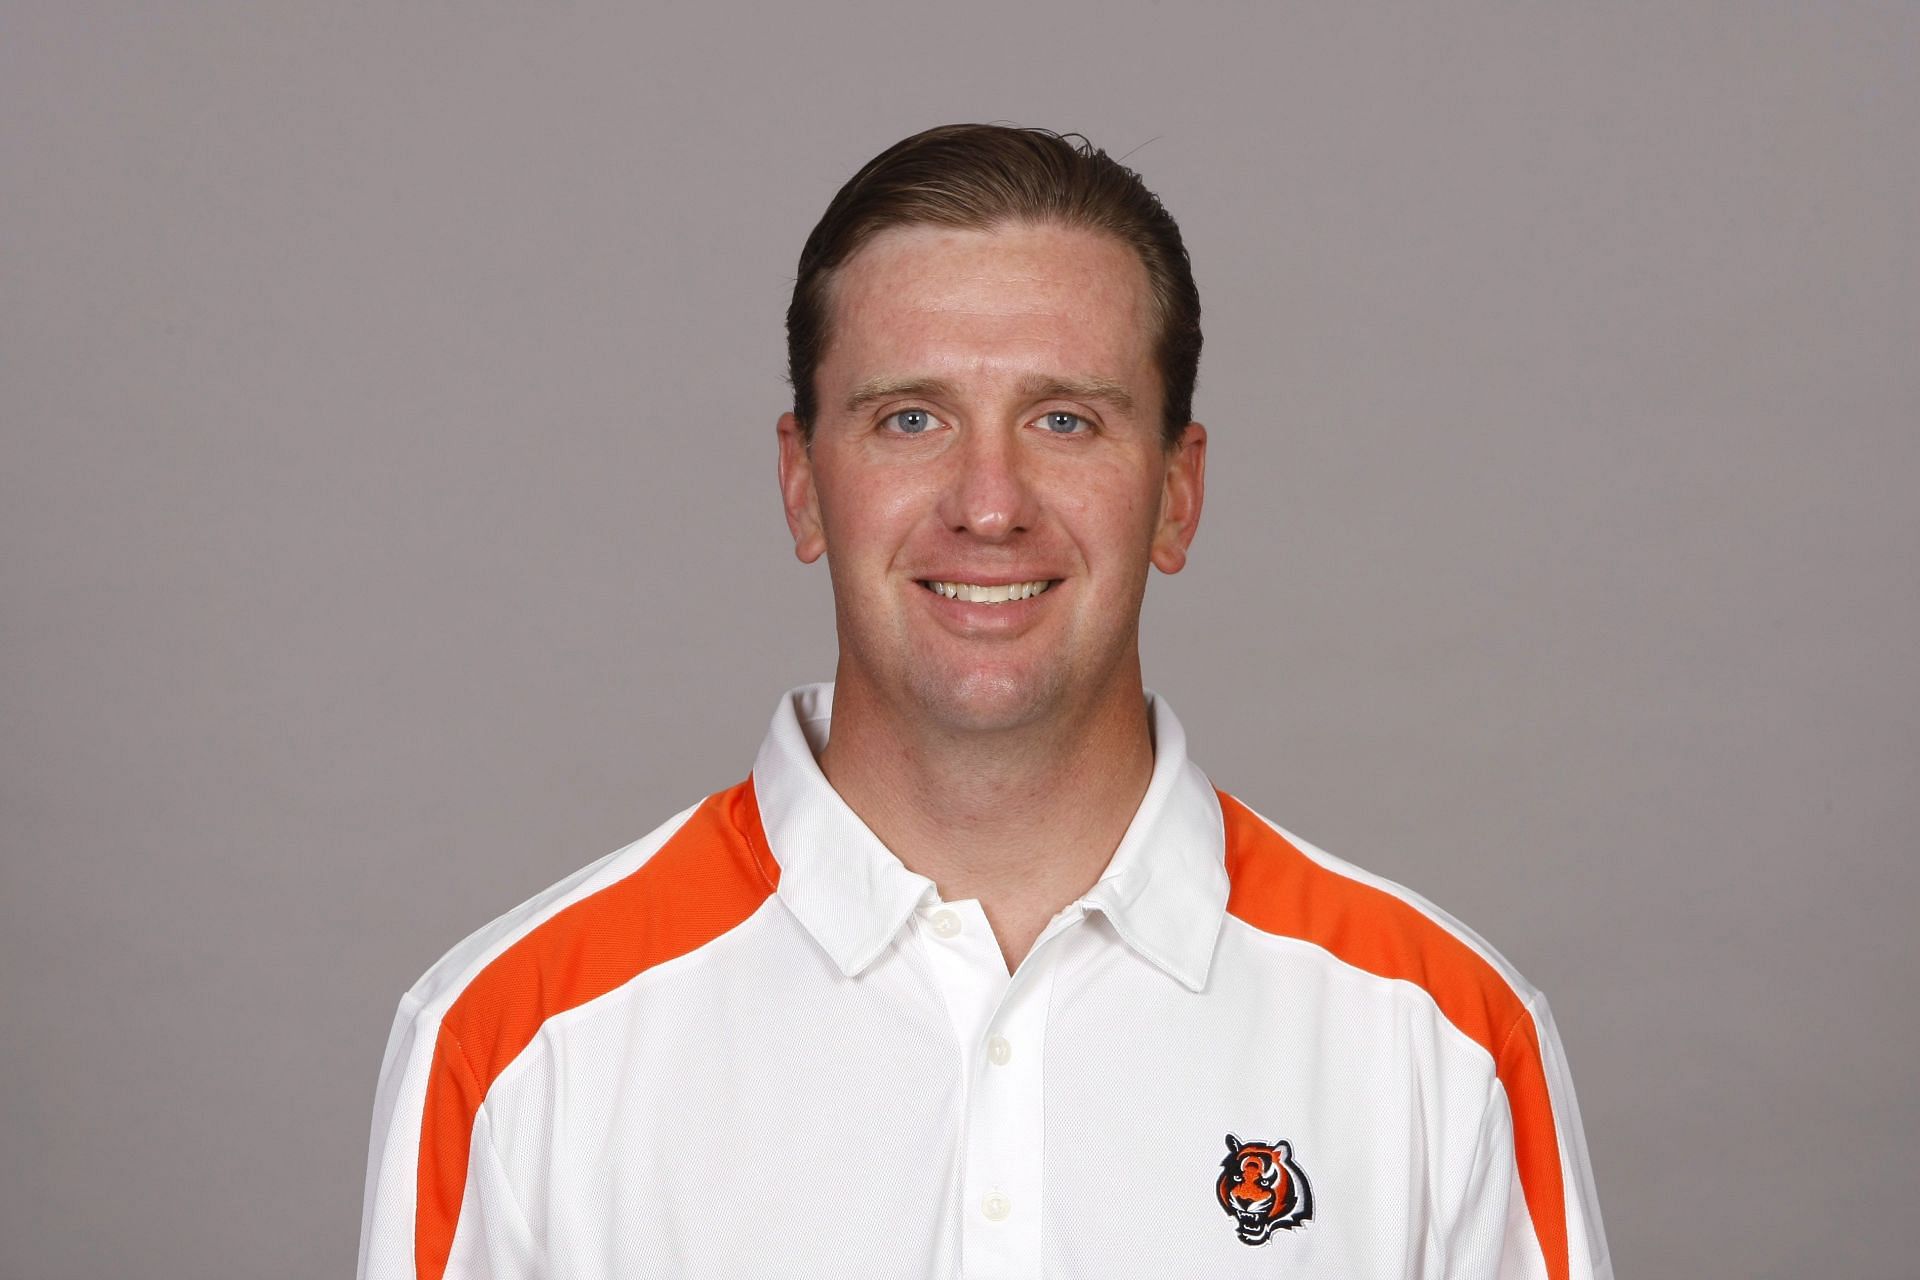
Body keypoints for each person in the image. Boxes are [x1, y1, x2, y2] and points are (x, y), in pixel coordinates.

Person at [357, 123, 1611, 1279]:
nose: (991, 500)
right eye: (911, 418)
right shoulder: (520, 1046)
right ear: (802, 486)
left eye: (1065, 418)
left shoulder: (1444, 1043)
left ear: (1177, 492)